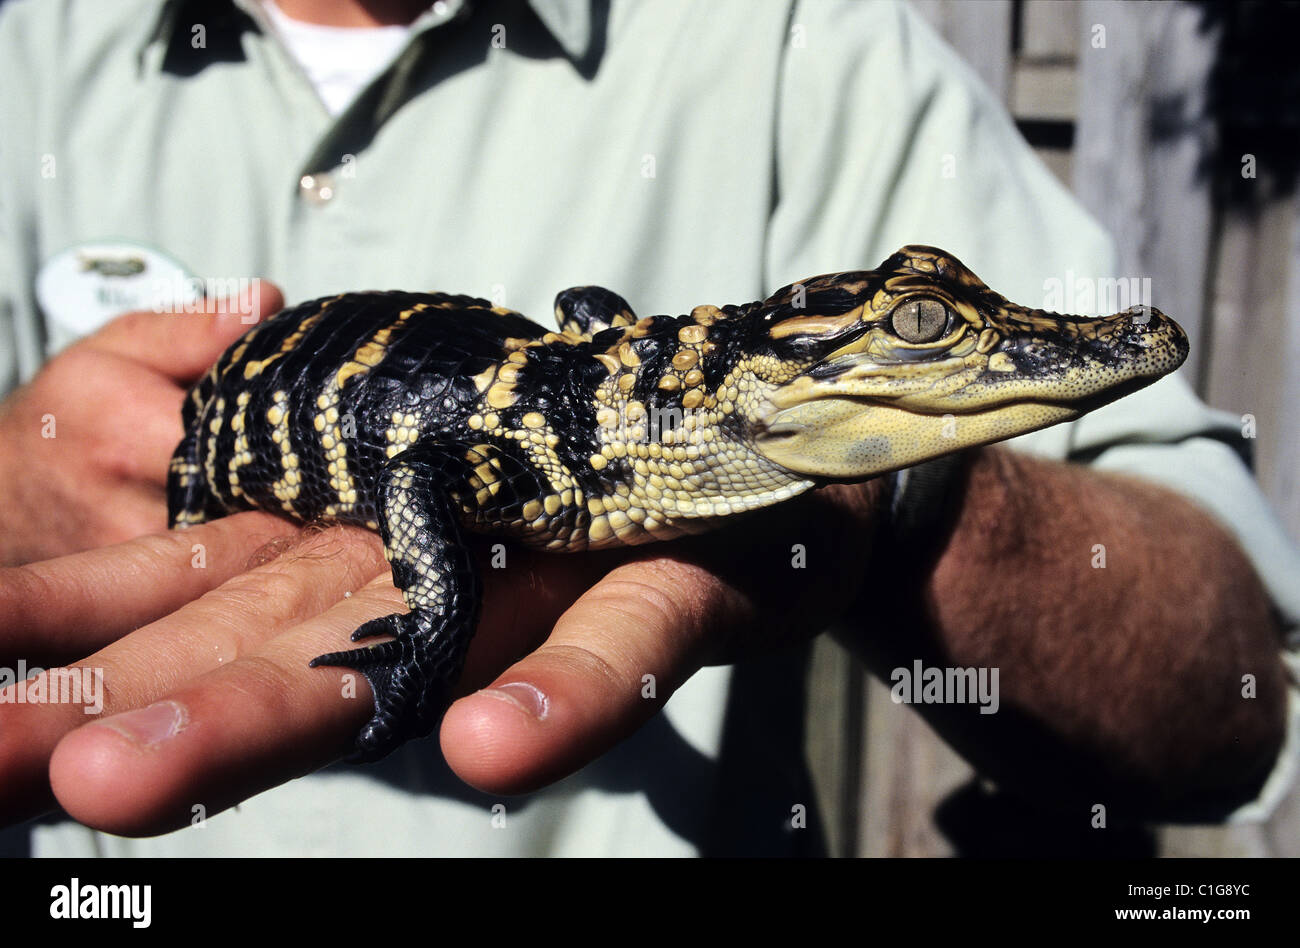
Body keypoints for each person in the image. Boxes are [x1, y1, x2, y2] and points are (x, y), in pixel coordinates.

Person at [0, 0, 1295, 856]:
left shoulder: (789, 35)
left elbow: (1235, 712)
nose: (981, 348)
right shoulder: (31, 42)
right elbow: (442, 448)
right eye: (913, 336)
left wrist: (898, 506)